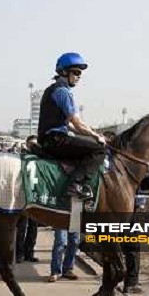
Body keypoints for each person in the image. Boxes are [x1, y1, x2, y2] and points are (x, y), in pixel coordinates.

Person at [38, 52, 106, 200]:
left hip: (50, 139)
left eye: (80, 74)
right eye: (75, 72)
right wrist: (95, 136)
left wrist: (90, 134)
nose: (78, 77)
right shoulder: (63, 92)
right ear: (64, 72)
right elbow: (78, 123)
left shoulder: (53, 89)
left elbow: (68, 125)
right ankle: (76, 185)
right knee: (100, 150)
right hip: (56, 140)